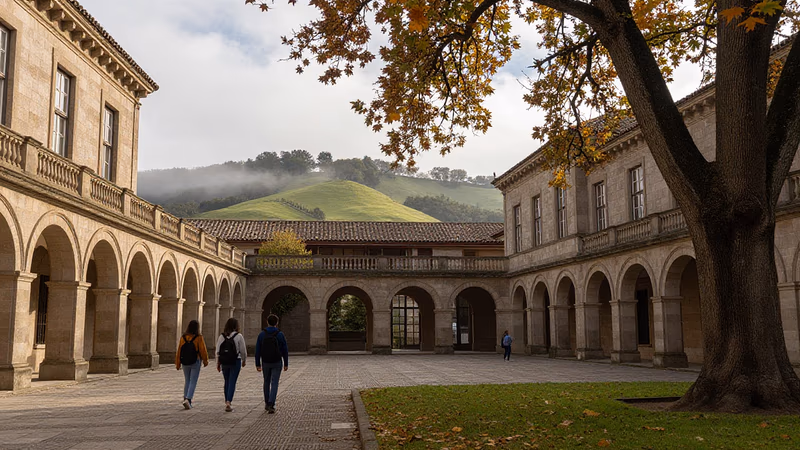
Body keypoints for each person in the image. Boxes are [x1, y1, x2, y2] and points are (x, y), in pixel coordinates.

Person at [255, 314, 289, 414]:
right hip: (277, 361)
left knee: (266, 381)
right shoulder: (280, 334)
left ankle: (266, 402)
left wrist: (258, 364)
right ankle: (271, 403)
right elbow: (285, 349)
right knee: (274, 382)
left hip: (265, 362)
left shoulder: (262, 334)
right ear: (277, 323)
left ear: (267, 322)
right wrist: (286, 362)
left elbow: (258, 350)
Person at [175, 319, 209, 409]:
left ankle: (185, 397)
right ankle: (188, 399)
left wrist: (177, 363)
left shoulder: (183, 337)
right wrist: (205, 360)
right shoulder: (198, 337)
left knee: (187, 380)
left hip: (185, 362)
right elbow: (203, 350)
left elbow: (179, 351)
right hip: (195, 361)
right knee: (193, 381)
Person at [216, 317, 247, 412]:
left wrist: (218, 363)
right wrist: (244, 360)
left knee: (227, 381)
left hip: (224, 361)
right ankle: (229, 401)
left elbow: (217, 351)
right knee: (232, 381)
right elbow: (243, 351)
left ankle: (226, 401)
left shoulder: (222, 336)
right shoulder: (239, 336)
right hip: (235, 361)